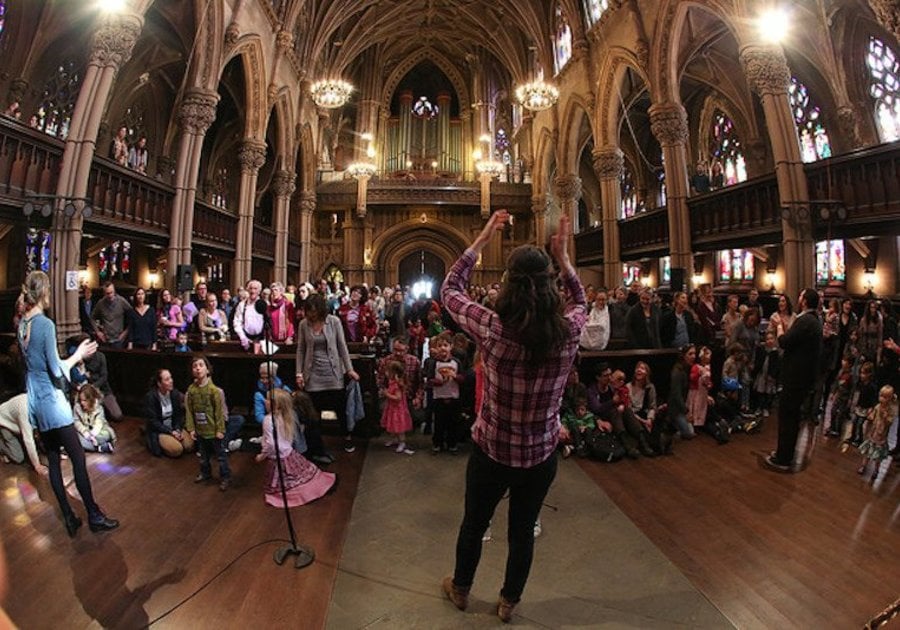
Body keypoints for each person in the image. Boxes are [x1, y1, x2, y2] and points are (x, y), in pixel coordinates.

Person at [439, 210, 586, 623]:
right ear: (549, 285)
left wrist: (483, 239)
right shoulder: (570, 329)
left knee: (474, 523)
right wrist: (564, 258)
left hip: (491, 450)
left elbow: (450, 289)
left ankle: (462, 589)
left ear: (508, 283)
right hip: (540, 454)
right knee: (522, 533)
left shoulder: (492, 327)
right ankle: (508, 602)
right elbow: (581, 301)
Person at [17, 271, 118, 536]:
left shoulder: (22, 324)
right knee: (77, 458)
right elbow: (57, 369)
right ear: (44, 292)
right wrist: (80, 355)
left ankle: (69, 517)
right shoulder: (44, 325)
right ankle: (94, 516)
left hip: (35, 401)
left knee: (52, 458)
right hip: (51, 400)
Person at [765, 289, 822, 472]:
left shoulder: (805, 320)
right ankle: (785, 453)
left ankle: (783, 458)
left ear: (804, 301)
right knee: (792, 416)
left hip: (795, 378)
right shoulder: (814, 320)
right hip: (802, 378)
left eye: (800, 296)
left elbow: (785, 341)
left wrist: (779, 326)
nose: (798, 299)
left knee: (787, 417)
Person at [295, 293, 360, 454]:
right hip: (312, 373)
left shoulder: (334, 321)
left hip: (332, 372)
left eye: (313, 310)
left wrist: (349, 369)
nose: (311, 314)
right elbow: (301, 349)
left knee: (339, 408)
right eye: (308, 310)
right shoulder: (304, 324)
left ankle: (347, 437)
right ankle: (316, 444)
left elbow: (342, 346)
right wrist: (299, 373)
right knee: (314, 411)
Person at [254, 389, 336, 507]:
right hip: (289, 453)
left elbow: (271, 443)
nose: (264, 401)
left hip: (277, 456)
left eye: (267, 399)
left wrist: (262, 455)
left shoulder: (268, 420)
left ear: (275, 405)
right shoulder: (286, 417)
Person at [185, 355, 231, 490]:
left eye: (201, 365)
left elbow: (219, 412)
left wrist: (220, 429)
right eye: (195, 366)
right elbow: (189, 411)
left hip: (214, 429)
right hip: (200, 430)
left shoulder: (214, 391)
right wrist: (191, 428)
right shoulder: (191, 390)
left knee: (221, 456)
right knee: (203, 456)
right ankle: (205, 473)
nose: (198, 369)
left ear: (207, 369)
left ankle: (225, 476)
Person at [143, 368, 194, 457]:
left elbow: (178, 415)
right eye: (167, 379)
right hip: (160, 429)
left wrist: (177, 429)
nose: (171, 381)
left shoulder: (174, 393)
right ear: (159, 383)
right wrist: (171, 432)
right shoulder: (151, 397)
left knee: (189, 446)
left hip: (173, 426)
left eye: (171, 378)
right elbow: (153, 422)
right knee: (177, 450)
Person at [856, 385, 896, 482]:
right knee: (867, 452)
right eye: (881, 396)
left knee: (878, 456)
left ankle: (876, 470)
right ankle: (863, 466)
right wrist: (870, 415)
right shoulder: (878, 406)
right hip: (873, 433)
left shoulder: (890, 410)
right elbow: (872, 415)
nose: (881, 399)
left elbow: (890, 422)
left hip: (881, 436)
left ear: (890, 399)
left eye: (885, 397)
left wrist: (886, 417)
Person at [0, 394, 46, 474]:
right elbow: (28, 440)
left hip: (15, 421)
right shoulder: (25, 410)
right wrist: (37, 465)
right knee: (18, 457)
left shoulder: (41, 402)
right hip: (4, 422)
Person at [381, 361, 415, 455]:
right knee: (393, 425)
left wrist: (387, 394)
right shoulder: (392, 382)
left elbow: (398, 398)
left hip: (397, 409)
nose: (386, 373)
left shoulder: (397, 385)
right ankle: (394, 439)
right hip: (392, 408)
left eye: (388, 371)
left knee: (399, 427)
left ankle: (402, 442)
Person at [73, 384, 116, 453]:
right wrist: (86, 434)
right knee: (76, 439)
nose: (82, 403)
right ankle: (100, 448)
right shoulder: (77, 407)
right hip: (84, 433)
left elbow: (99, 423)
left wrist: (92, 435)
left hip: (98, 433)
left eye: (84, 400)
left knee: (107, 434)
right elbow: (76, 422)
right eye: (81, 400)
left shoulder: (98, 407)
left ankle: (92, 445)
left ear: (90, 399)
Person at [91, 281, 132, 348]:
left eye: (111, 292)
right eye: (107, 293)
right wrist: (98, 332)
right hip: (106, 339)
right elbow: (92, 318)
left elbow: (132, 315)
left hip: (119, 339)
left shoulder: (121, 301)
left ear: (114, 291)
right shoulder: (101, 303)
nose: (110, 295)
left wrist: (125, 332)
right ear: (104, 293)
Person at [668, 344, 697, 440]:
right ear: (684, 356)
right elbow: (676, 395)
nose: (693, 356)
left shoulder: (688, 369)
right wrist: (686, 411)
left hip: (683, 406)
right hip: (676, 409)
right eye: (690, 354)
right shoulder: (677, 371)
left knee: (691, 432)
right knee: (688, 433)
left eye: (694, 354)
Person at [234, 279, 265, 353]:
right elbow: (237, 322)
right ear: (247, 290)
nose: (252, 291)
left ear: (259, 291)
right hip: (245, 339)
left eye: (255, 289)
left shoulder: (264, 304)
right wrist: (243, 337)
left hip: (260, 339)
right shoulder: (242, 305)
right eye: (251, 288)